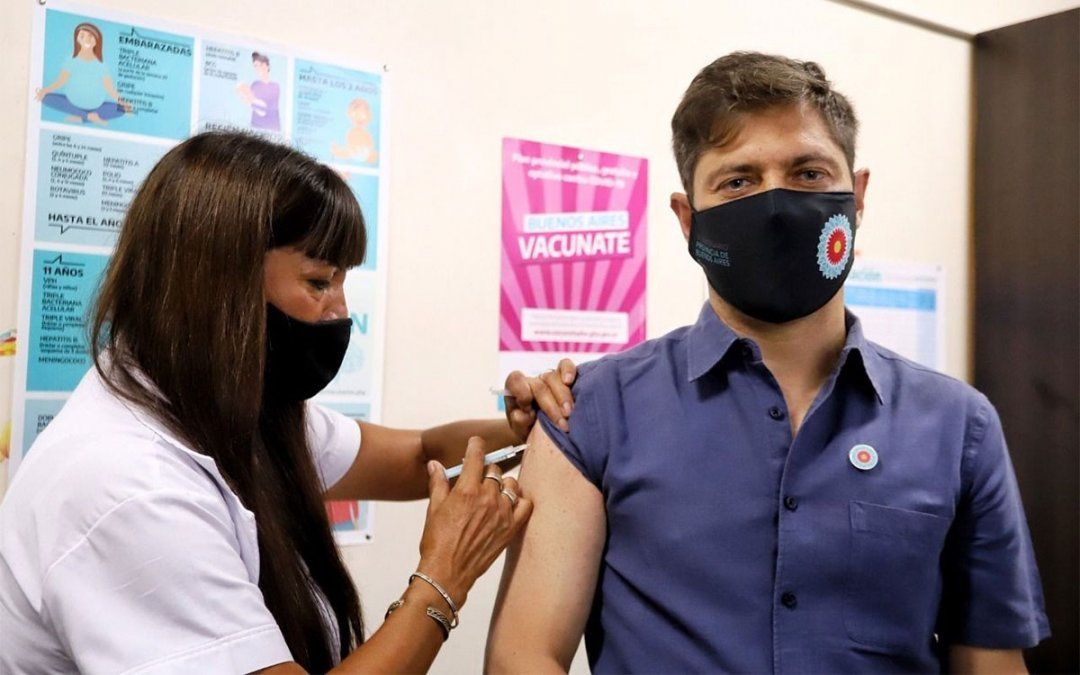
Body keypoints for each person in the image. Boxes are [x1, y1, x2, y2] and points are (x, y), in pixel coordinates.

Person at [487, 52, 1049, 674]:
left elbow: (991, 664)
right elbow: (523, 657)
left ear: (856, 196)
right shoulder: (590, 410)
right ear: (687, 218)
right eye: (738, 181)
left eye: (808, 173)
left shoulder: (958, 427)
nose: (776, 205)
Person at [0, 131, 577, 674]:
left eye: (343, 281)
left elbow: (417, 455)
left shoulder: (222, 408)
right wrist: (443, 574)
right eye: (319, 283)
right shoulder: (130, 486)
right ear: (219, 287)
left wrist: (527, 430)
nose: (339, 312)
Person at [36, 22, 132, 125]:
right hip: (73, 103)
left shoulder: (101, 65)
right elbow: (61, 81)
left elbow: (110, 88)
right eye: (82, 36)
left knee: (120, 109)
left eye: (90, 36)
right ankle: (89, 117)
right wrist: (45, 90)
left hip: (95, 106)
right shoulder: (72, 61)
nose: (86, 39)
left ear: (97, 40)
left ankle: (82, 117)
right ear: (77, 39)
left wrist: (123, 102)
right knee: (46, 98)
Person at [236, 52, 282, 131]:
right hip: (256, 128)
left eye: (261, 65)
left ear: (267, 66)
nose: (258, 69)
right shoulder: (255, 85)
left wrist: (251, 102)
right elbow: (246, 95)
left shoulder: (275, 86)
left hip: (272, 128)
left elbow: (266, 110)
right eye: (256, 66)